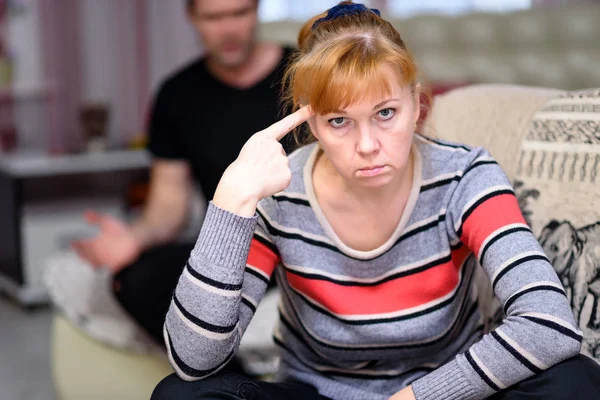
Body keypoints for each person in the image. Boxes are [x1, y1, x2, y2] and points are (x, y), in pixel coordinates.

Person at [151, 2, 600, 399]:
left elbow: (549, 325)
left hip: (442, 394)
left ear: (416, 104)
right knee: (177, 395)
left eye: (386, 113)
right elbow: (194, 364)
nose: (367, 145)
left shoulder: (466, 176)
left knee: (576, 380)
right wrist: (231, 200)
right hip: (317, 393)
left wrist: (416, 398)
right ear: (313, 121)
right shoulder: (279, 194)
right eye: (340, 121)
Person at [72, 0, 293, 347]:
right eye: (214, 17)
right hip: (232, 246)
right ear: (192, 17)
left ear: (257, 10)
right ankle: (235, 382)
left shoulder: (306, 73)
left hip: (308, 242)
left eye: (240, 13)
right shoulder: (177, 94)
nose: (229, 28)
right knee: (135, 280)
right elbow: (168, 208)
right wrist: (133, 238)